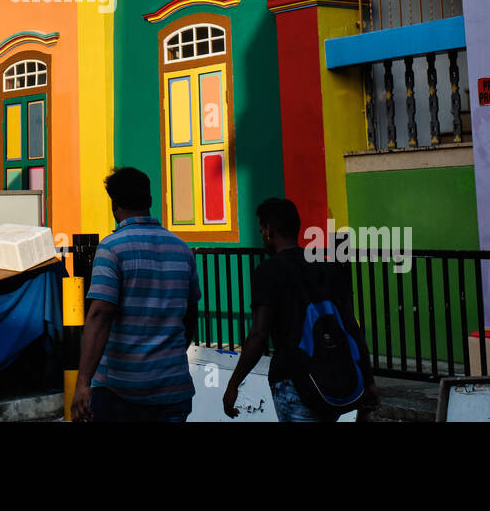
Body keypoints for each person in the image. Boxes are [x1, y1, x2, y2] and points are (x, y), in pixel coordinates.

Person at [223, 198, 378, 422]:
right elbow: (352, 327)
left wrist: (233, 384)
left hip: (292, 382)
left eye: (260, 230)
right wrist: (369, 381)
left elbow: (258, 334)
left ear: (268, 231)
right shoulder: (326, 267)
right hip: (329, 383)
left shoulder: (268, 271)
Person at [71, 167, 199, 422]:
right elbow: (190, 316)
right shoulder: (182, 250)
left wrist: (83, 382)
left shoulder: (112, 248)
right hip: (173, 390)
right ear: (150, 201)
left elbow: (99, 316)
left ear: (114, 204)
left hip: (121, 393)